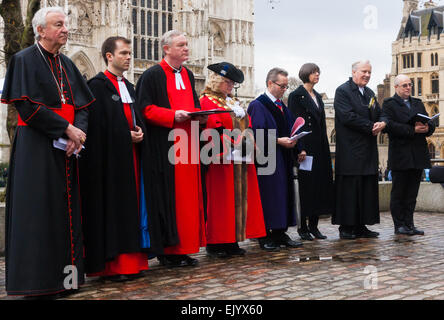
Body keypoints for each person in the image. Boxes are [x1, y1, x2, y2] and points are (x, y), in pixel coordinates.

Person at [0, 7, 95, 296]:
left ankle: (67, 281)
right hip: (38, 148)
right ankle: (38, 284)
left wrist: (77, 135)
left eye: (66, 24)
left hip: (67, 150)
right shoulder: (23, 59)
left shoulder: (67, 63)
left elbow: (82, 107)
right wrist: (65, 129)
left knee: (66, 216)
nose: (66, 29)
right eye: (59, 24)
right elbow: (27, 107)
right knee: (39, 214)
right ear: (41, 30)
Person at [79, 37, 165, 281]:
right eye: (124, 53)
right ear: (109, 56)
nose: (128, 57)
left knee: (136, 208)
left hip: (134, 160)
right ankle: (114, 267)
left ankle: (135, 261)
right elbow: (95, 127)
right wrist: (122, 135)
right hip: (111, 164)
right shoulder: (96, 86)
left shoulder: (129, 86)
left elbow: (137, 116)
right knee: (115, 210)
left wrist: (139, 133)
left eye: (130, 53)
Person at [135, 30, 207, 268]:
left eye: (187, 44)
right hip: (165, 146)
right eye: (181, 45)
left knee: (188, 199)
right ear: (166, 49)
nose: (187, 49)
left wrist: (201, 116)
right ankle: (169, 251)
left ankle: (185, 248)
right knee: (170, 199)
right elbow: (144, 109)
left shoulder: (187, 74)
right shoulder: (152, 75)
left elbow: (195, 104)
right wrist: (173, 115)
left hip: (188, 144)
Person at [200, 62, 266, 258]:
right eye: (227, 82)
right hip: (221, 159)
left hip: (241, 158)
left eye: (232, 83)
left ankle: (233, 239)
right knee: (221, 201)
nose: (230, 86)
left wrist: (250, 142)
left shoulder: (234, 103)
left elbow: (248, 125)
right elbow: (212, 127)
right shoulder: (207, 101)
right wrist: (233, 142)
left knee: (239, 199)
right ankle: (216, 242)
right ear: (216, 80)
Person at [247, 68, 303, 251]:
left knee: (283, 195)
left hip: (283, 157)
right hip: (267, 159)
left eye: (286, 87)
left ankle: (280, 232)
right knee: (269, 196)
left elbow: (291, 127)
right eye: (281, 86)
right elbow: (256, 133)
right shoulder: (258, 105)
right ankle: (264, 235)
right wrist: (279, 141)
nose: (284, 90)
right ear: (270, 83)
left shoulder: (282, 106)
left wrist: (297, 145)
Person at [333, 61, 387, 240]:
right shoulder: (343, 91)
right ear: (354, 72)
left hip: (367, 150)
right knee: (350, 188)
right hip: (350, 150)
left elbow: (379, 112)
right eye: (364, 71)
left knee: (366, 188)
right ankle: (347, 227)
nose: (367, 75)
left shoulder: (370, 93)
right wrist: (370, 125)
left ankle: (361, 225)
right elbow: (347, 116)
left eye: (369, 72)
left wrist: (382, 122)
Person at [382, 74, 435, 236]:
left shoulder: (418, 103)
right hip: (401, 155)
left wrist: (428, 128)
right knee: (399, 193)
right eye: (404, 85)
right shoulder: (389, 104)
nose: (408, 88)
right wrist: (412, 130)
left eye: (409, 85)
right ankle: (399, 225)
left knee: (412, 194)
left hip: (418, 154)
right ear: (396, 87)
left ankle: (410, 224)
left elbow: (430, 122)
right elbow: (388, 126)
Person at [288, 63, 334, 241]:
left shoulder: (318, 97)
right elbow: (296, 123)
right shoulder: (295, 96)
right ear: (306, 74)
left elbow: (321, 124)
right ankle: (303, 227)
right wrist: (301, 147)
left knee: (319, 186)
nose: (317, 75)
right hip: (305, 148)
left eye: (318, 72)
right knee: (306, 187)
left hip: (320, 146)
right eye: (314, 72)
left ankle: (314, 226)